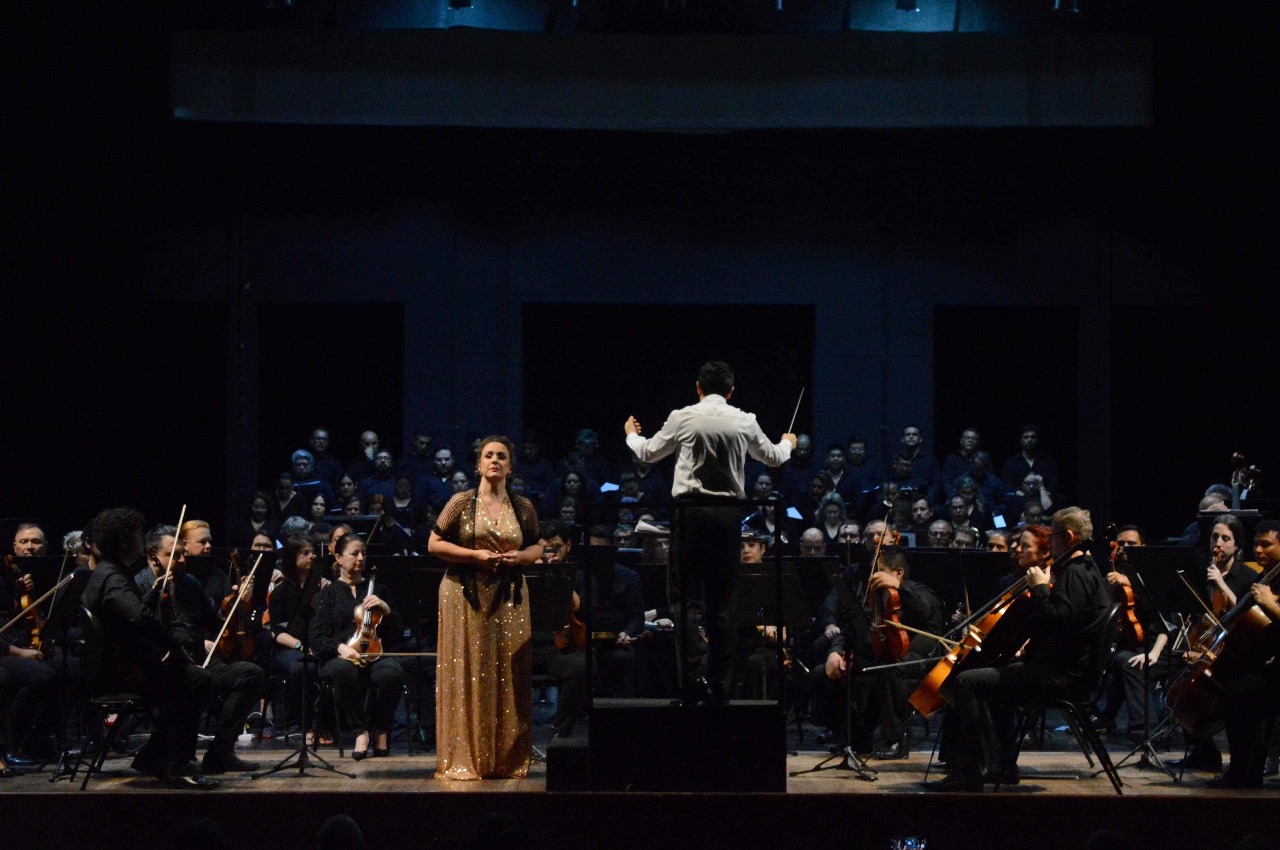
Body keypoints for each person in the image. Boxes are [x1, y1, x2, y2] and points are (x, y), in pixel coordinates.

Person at [624, 360, 796, 704]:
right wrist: (788, 441)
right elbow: (775, 458)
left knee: (684, 602)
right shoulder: (744, 420)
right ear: (731, 391)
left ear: (698, 388)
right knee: (723, 603)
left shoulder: (683, 416)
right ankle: (720, 687)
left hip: (689, 515)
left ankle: (690, 685)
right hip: (727, 517)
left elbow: (648, 452)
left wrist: (631, 433)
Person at [923, 507, 1112, 791]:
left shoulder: (1076, 574)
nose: (1051, 543)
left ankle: (968, 773)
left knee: (966, 681)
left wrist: (1040, 588)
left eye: (1054, 536)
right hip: (1066, 670)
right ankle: (1002, 766)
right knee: (997, 677)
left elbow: (1058, 619)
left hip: (1064, 676)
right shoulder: (1087, 570)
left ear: (1068, 537)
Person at [429, 435, 543, 779]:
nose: (495, 460)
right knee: (468, 668)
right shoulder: (461, 502)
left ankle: (506, 759)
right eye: (489, 455)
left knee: (509, 671)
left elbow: (538, 545)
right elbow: (434, 543)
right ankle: (466, 756)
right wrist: (474, 555)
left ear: (510, 466)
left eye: (502, 456)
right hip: (464, 595)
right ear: (479, 465)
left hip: (509, 596)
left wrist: (521, 557)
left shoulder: (522, 506)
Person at [80, 507, 219, 789]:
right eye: (137, 536)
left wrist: (154, 593)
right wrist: (174, 648)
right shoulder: (112, 577)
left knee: (190, 680)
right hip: (119, 674)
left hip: (121, 667)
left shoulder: (109, 573)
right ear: (124, 542)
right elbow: (140, 618)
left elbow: (131, 614)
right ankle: (177, 764)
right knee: (197, 679)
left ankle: (154, 757)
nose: (142, 541)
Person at [147, 524, 263, 773]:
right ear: (153, 555)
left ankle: (220, 752)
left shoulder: (190, 582)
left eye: (182, 554)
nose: (181, 560)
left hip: (200, 660)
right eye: (174, 555)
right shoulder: (144, 584)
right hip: (166, 664)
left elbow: (215, 622)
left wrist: (238, 604)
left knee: (251, 673)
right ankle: (170, 756)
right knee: (198, 680)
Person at [309, 535, 405, 759]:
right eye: (354, 554)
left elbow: (398, 632)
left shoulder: (378, 590)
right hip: (339, 657)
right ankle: (360, 731)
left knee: (392, 673)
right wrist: (341, 648)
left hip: (374, 655)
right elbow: (316, 637)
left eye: (363, 553)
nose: (361, 558)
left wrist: (386, 609)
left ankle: (382, 730)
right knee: (344, 671)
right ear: (339, 558)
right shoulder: (327, 595)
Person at [1207, 520, 1280, 788]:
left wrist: (1271, 605)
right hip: (1269, 665)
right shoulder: (1266, 577)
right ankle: (1245, 769)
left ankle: (1244, 771)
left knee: (1237, 693)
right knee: (1230, 684)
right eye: (1256, 544)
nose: (1258, 550)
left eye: (1266, 545)